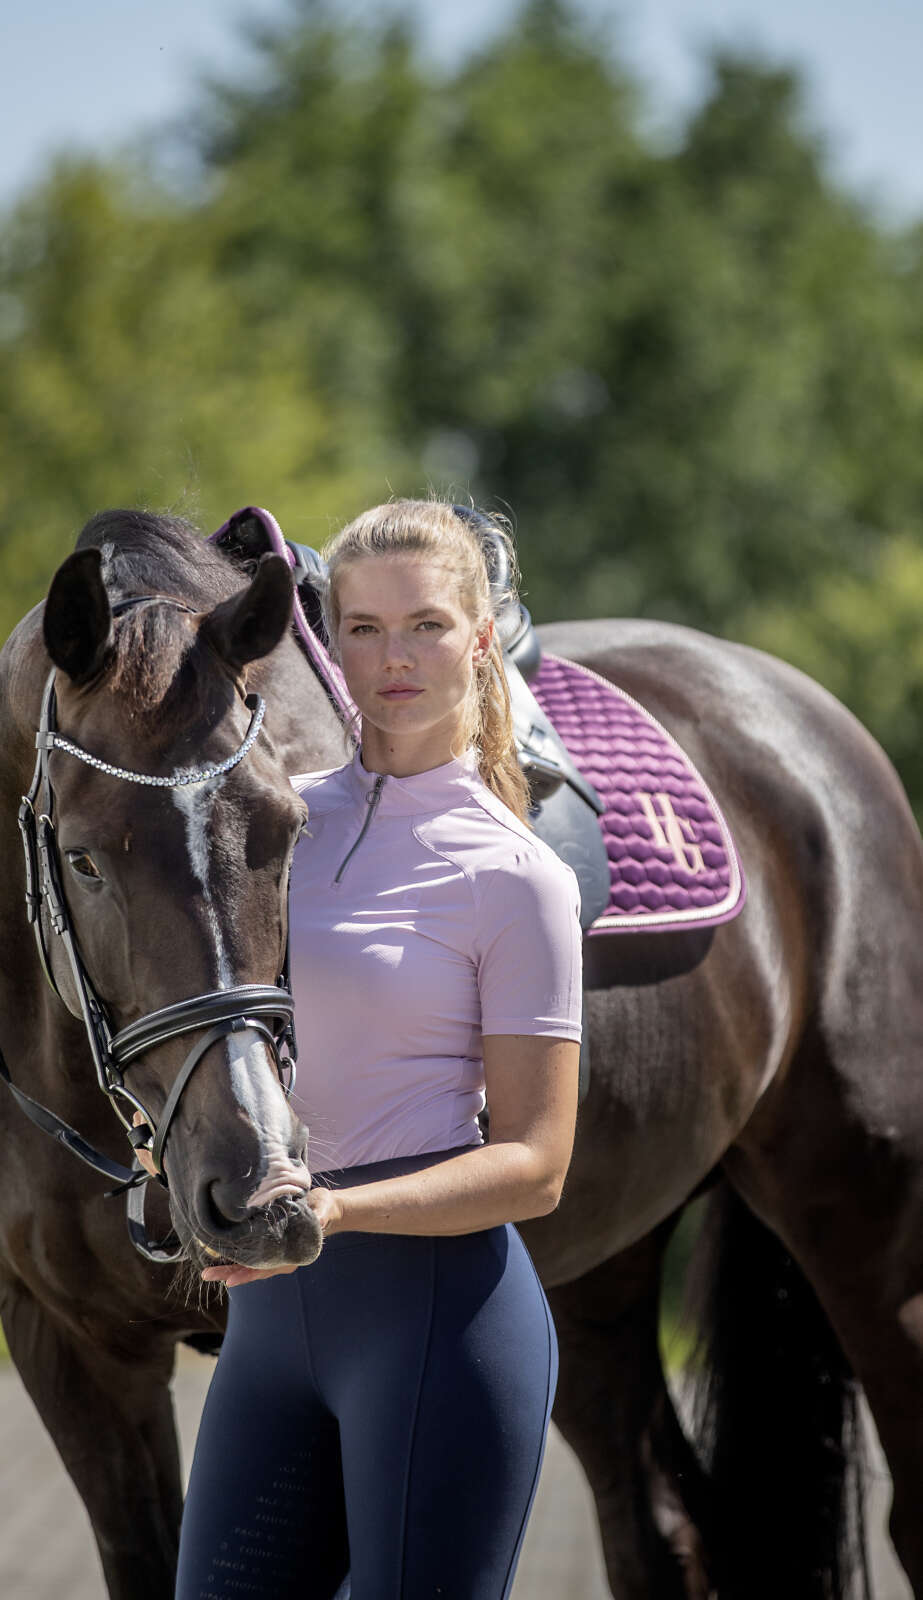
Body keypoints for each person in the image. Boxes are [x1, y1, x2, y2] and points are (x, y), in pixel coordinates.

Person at [174, 499, 582, 1600]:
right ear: (327, 637)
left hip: (439, 1329)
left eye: (426, 626)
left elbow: (537, 1165)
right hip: (269, 1329)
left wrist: (338, 1210)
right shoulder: (271, 827)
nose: (391, 658)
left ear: (480, 639)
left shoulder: (512, 877)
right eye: (361, 628)